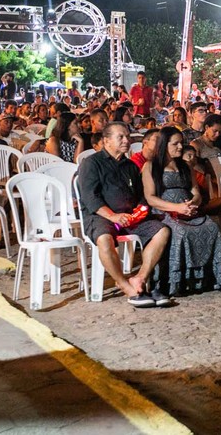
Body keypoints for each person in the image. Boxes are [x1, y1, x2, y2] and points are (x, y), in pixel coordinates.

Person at [77, 122, 171, 307]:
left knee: (162, 231)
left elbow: (141, 195)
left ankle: (140, 278)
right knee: (104, 239)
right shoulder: (92, 163)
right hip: (101, 216)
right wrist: (112, 216)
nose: (126, 140)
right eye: (120, 137)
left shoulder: (130, 166)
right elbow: (90, 197)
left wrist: (140, 211)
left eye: (127, 136)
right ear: (106, 141)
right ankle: (124, 285)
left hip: (129, 217)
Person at [142, 125, 221, 296]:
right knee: (180, 231)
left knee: (211, 226)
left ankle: (208, 278)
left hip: (188, 209)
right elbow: (151, 197)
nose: (180, 147)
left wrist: (193, 204)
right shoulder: (151, 167)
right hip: (164, 211)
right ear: (164, 145)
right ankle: (178, 280)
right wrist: (176, 207)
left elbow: (195, 191)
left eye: (181, 143)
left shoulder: (185, 166)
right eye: (175, 144)